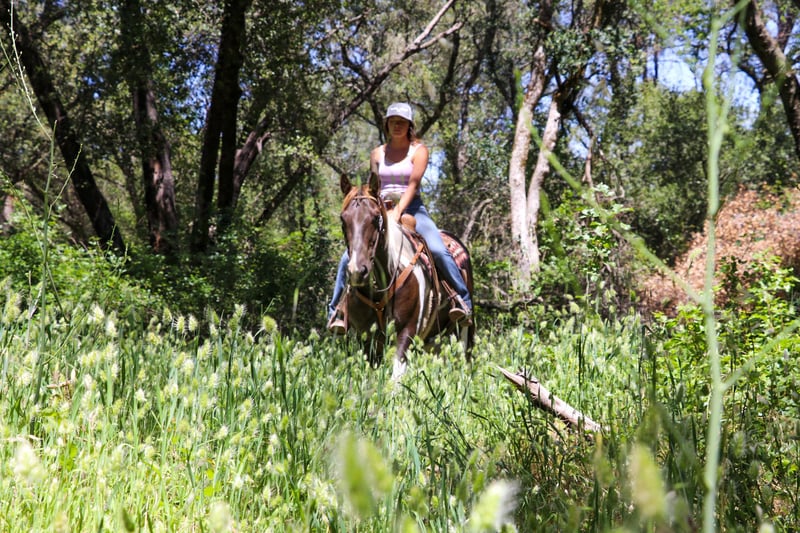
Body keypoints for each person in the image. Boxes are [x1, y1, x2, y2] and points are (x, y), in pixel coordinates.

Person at [327, 102, 473, 333]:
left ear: (409, 125)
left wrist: (399, 211)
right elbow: (375, 188)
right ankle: (336, 311)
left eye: (402, 122)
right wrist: (381, 211)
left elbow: (413, 185)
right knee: (349, 257)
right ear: (387, 124)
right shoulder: (377, 154)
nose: (397, 126)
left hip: (413, 208)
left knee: (437, 249)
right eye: (393, 121)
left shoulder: (419, 151)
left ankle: (462, 300)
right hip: (382, 210)